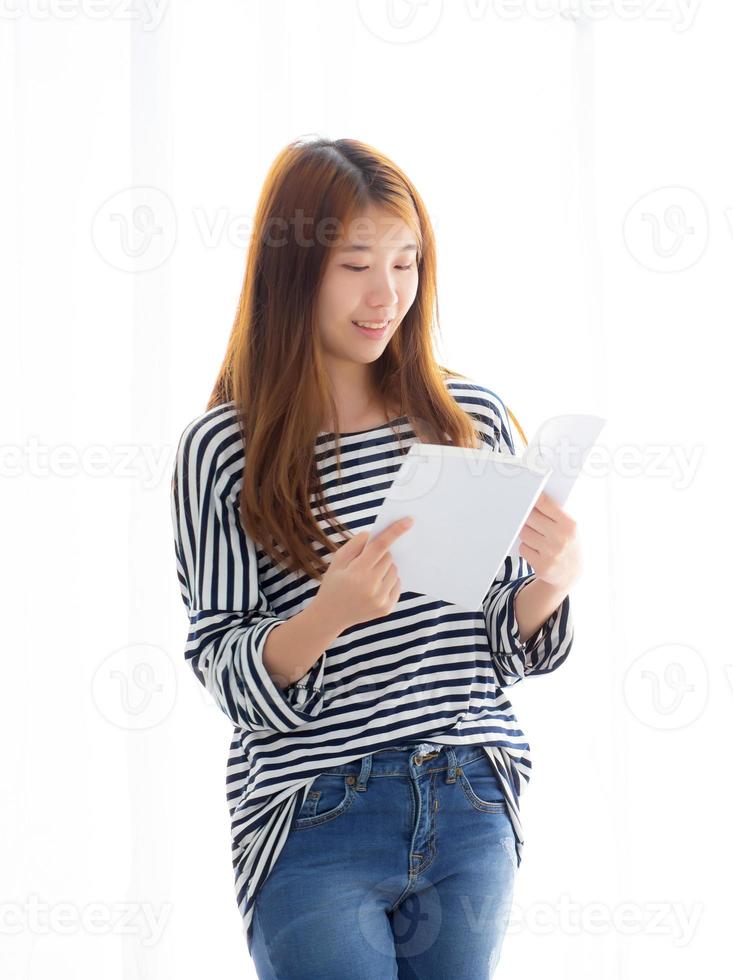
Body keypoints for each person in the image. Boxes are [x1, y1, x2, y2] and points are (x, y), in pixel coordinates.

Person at [169, 136, 581, 979]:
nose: (386, 293)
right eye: (356, 263)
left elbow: (499, 644)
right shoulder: (223, 448)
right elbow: (222, 666)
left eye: (406, 261)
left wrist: (548, 585)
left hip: (468, 790)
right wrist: (329, 612)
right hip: (316, 814)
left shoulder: (470, 417)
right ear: (294, 271)